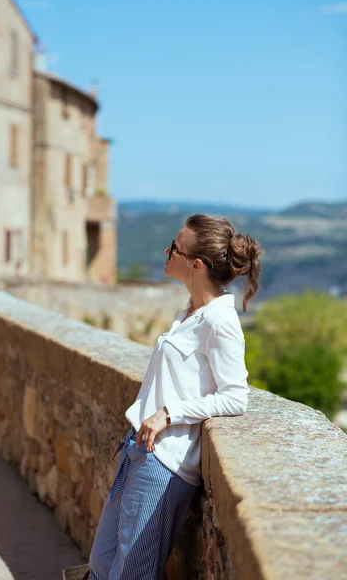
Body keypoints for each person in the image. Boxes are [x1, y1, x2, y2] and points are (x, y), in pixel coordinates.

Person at [70, 214, 262, 580]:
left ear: (197, 265)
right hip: (139, 451)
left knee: (131, 574)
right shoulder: (191, 310)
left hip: (165, 465)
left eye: (174, 247)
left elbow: (235, 397)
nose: (166, 251)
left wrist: (169, 413)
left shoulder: (220, 322)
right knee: (100, 564)